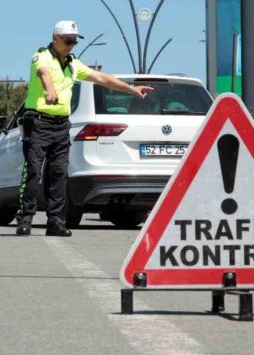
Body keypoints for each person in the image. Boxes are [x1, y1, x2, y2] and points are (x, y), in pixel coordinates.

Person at [16, 20, 153, 236]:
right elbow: (43, 73)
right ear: (55, 38)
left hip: (61, 125)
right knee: (33, 171)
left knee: (59, 174)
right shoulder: (41, 56)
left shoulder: (73, 64)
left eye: (74, 42)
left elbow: (101, 78)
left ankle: (56, 222)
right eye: (67, 41)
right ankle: (25, 218)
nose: (71, 45)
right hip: (39, 123)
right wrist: (49, 90)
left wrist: (130, 88)